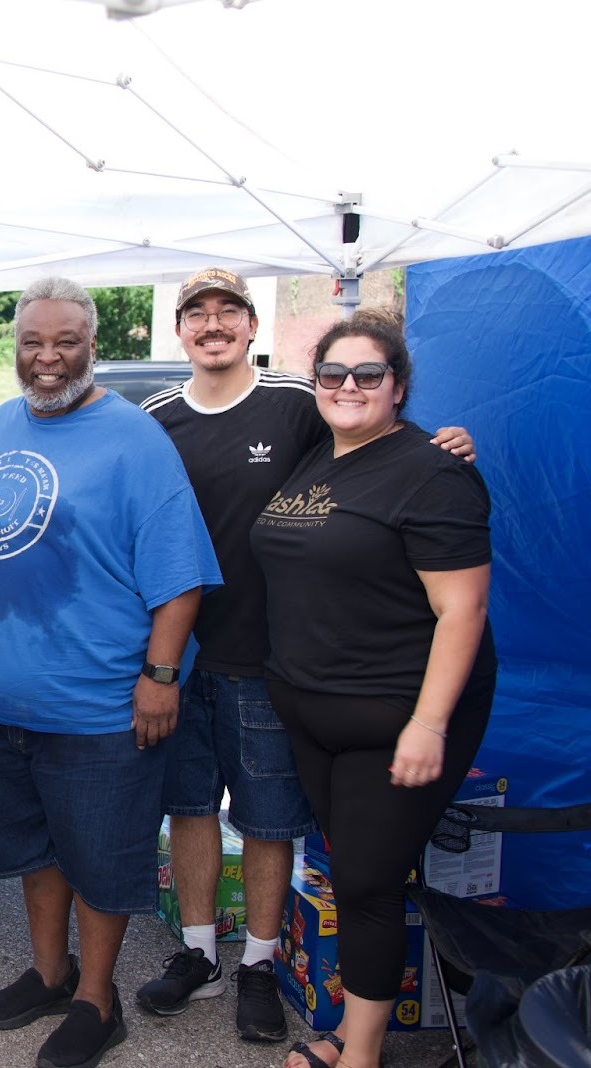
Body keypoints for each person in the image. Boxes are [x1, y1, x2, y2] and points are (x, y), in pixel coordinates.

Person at [137, 269, 475, 1044]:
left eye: (228, 311)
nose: (212, 324)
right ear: (180, 331)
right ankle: (198, 954)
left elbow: (379, 440)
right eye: (197, 314)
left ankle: (258, 961)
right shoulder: (153, 415)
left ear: (252, 325)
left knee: (265, 819)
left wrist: (447, 441)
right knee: (187, 809)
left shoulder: (297, 399)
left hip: (272, 659)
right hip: (178, 654)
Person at [0, 276, 221, 1068]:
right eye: (33, 341)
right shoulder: (2, 421)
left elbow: (181, 577)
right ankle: (51, 971)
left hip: (97, 704)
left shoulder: (134, 439)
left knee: (100, 859)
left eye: (65, 341)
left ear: (92, 344)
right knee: (35, 850)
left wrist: (161, 678)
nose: (47, 357)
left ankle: (98, 1003)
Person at [251, 313, 494, 1068]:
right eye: (333, 374)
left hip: (392, 715)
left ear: (398, 386)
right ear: (315, 383)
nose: (348, 387)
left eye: (367, 375)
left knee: (366, 882)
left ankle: (359, 1056)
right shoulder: (319, 454)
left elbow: (464, 609)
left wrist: (429, 724)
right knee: (354, 872)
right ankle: (351, 1033)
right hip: (309, 708)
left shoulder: (433, 470)